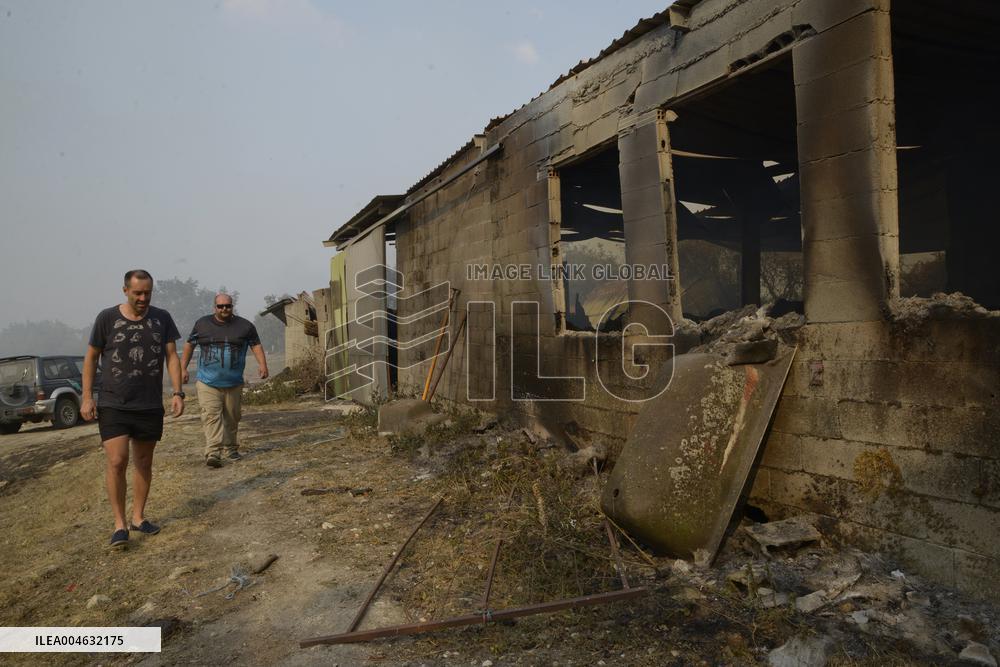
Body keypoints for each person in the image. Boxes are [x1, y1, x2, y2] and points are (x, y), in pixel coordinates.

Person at [81, 270, 184, 549]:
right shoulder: (107, 318)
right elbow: (91, 358)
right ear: (125, 290)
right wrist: (87, 396)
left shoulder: (162, 318)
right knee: (117, 461)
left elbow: (172, 357)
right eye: (137, 293)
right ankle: (119, 525)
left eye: (147, 293)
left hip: (149, 403)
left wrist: (177, 392)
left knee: (144, 462)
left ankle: (138, 517)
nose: (143, 298)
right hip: (114, 402)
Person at [181, 293, 268, 468]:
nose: (224, 309)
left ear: (232, 306)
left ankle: (231, 448)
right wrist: (182, 368)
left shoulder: (245, 326)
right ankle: (213, 452)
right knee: (211, 416)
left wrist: (263, 364)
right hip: (207, 382)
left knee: (232, 417)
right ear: (215, 307)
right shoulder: (202, 324)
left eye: (227, 306)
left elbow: (256, 345)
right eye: (220, 306)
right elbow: (189, 344)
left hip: (233, 382)